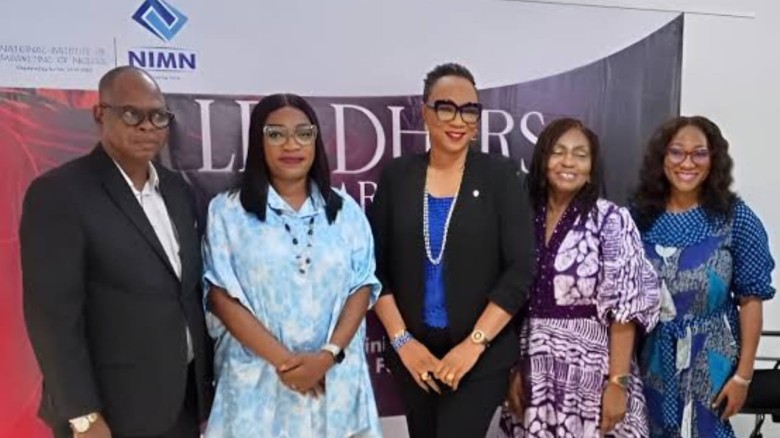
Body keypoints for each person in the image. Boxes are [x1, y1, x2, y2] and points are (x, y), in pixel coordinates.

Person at [20, 66, 212, 438]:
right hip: (108, 414)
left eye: (157, 116)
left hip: (181, 405)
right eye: (131, 114)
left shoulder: (177, 191)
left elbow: (183, 293)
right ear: (99, 114)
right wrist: (83, 416)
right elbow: (52, 318)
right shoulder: (60, 194)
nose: (147, 126)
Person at [369, 62, 535, 438]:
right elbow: (373, 267)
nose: (458, 120)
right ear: (425, 111)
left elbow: (520, 269)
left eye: (469, 110)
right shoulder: (398, 176)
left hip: (480, 357)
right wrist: (403, 342)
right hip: (414, 355)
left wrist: (473, 345)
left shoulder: (500, 176)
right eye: (446, 108)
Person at [201, 93, 382, 437]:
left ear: (316, 140)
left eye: (303, 133)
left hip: (334, 382)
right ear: (258, 142)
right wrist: (288, 364)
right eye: (276, 134)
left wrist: (326, 357)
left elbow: (362, 287)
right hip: (259, 387)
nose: (291, 144)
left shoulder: (346, 211)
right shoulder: (227, 212)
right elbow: (221, 297)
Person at [499, 118, 660, 437]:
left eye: (580, 154)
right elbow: (509, 303)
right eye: (558, 152)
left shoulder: (610, 220)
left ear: (591, 168)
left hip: (593, 373)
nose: (568, 161)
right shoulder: (522, 217)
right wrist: (514, 368)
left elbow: (625, 309)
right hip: (533, 371)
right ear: (542, 160)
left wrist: (618, 383)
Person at [631, 116, 776, 438]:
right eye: (676, 152)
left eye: (699, 153)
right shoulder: (636, 218)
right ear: (661, 158)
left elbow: (751, 299)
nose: (687, 163)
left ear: (714, 160)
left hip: (712, 358)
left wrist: (743, 377)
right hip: (649, 357)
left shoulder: (736, 218)